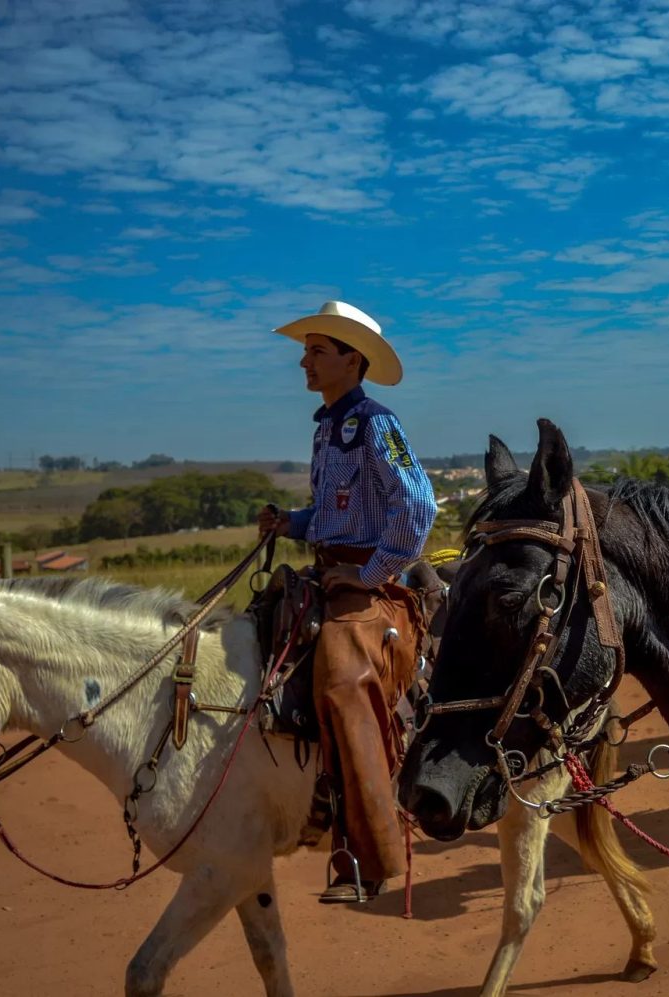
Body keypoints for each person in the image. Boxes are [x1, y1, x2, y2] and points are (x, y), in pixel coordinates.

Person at [257, 300, 437, 903]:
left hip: (368, 589)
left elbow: (418, 509)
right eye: (305, 350)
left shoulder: (380, 426)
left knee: (340, 682)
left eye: (316, 351)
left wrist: (371, 575)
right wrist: (290, 522)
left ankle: (370, 859)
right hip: (326, 575)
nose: (304, 362)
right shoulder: (325, 428)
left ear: (351, 360)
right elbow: (332, 515)